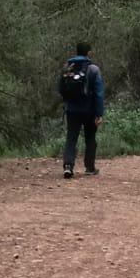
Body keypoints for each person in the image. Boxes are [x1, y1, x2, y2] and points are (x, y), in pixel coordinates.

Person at [58, 43, 104, 178]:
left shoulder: (67, 68)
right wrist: (99, 113)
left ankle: (68, 165)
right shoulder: (94, 69)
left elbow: (61, 89)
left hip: (72, 110)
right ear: (88, 53)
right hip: (89, 110)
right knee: (90, 138)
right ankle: (89, 167)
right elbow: (98, 93)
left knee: (71, 138)